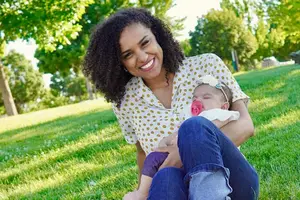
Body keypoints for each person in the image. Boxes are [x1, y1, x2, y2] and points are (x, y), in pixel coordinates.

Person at [83, 8, 259, 199]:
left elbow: (245, 125)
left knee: (193, 126)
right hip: (175, 188)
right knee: (165, 175)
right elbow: (143, 153)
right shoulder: (126, 101)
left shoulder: (207, 65)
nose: (142, 57)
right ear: (119, 63)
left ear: (157, 36)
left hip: (232, 182)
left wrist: (181, 155)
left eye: (145, 43)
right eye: (128, 55)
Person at [123, 75, 241, 200]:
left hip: (218, 165)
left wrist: (190, 134)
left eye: (206, 97)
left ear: (224, 106)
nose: (198, 100)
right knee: (158, 165)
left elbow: (209, 130)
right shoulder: (190, 118)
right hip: (187, 167)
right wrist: (167, 141)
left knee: (195, 124)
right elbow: (178, 133)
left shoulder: (220, 114)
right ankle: (142, 193)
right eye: (195, 97)